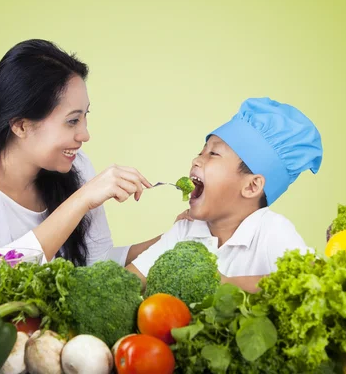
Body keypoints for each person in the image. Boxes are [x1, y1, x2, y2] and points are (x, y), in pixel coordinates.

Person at [0, 39, 156, 267]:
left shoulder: (76, 165)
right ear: (21, 125)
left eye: (85, 116)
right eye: (72, 121)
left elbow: (99, 264)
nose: (85, 135)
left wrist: (176, 238)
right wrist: (81, 200)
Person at [126, 97, 323, 293]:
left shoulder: (272, 230)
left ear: (252, 186)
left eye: (213, 154)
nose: (196, 160)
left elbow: (309, 279)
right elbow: (128, 281)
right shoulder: (185, 230)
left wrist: (221, 283)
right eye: (200, 152)